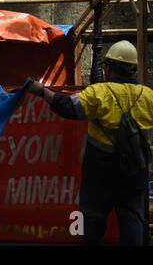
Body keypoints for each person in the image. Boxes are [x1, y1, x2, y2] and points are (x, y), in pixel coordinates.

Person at [27, 40, 153, 245]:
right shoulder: (148, 96)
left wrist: (41, 91)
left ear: (109, 67)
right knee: (132, 222)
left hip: (99, 175)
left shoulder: (99, 93)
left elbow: (67, 107)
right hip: (133, 172)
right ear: (134, 69)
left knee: (92, 226)